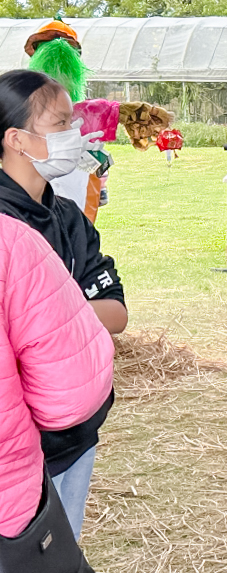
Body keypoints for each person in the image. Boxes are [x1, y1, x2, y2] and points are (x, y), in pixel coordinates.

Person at [0, 69, 127, 540]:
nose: (75, 137)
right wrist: (70, 316)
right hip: (20, 445)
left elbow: (115, 311)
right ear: (16, 138)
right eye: (60, 125)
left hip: (77, 433)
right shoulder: (5, 228)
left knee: (57, 562)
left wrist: (43, 320)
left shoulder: (67, 216)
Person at [0, 214, 115, 540]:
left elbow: (116, 305)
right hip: (18, 501)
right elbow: (69, 394)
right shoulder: (13, 239)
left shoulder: (67, 216)